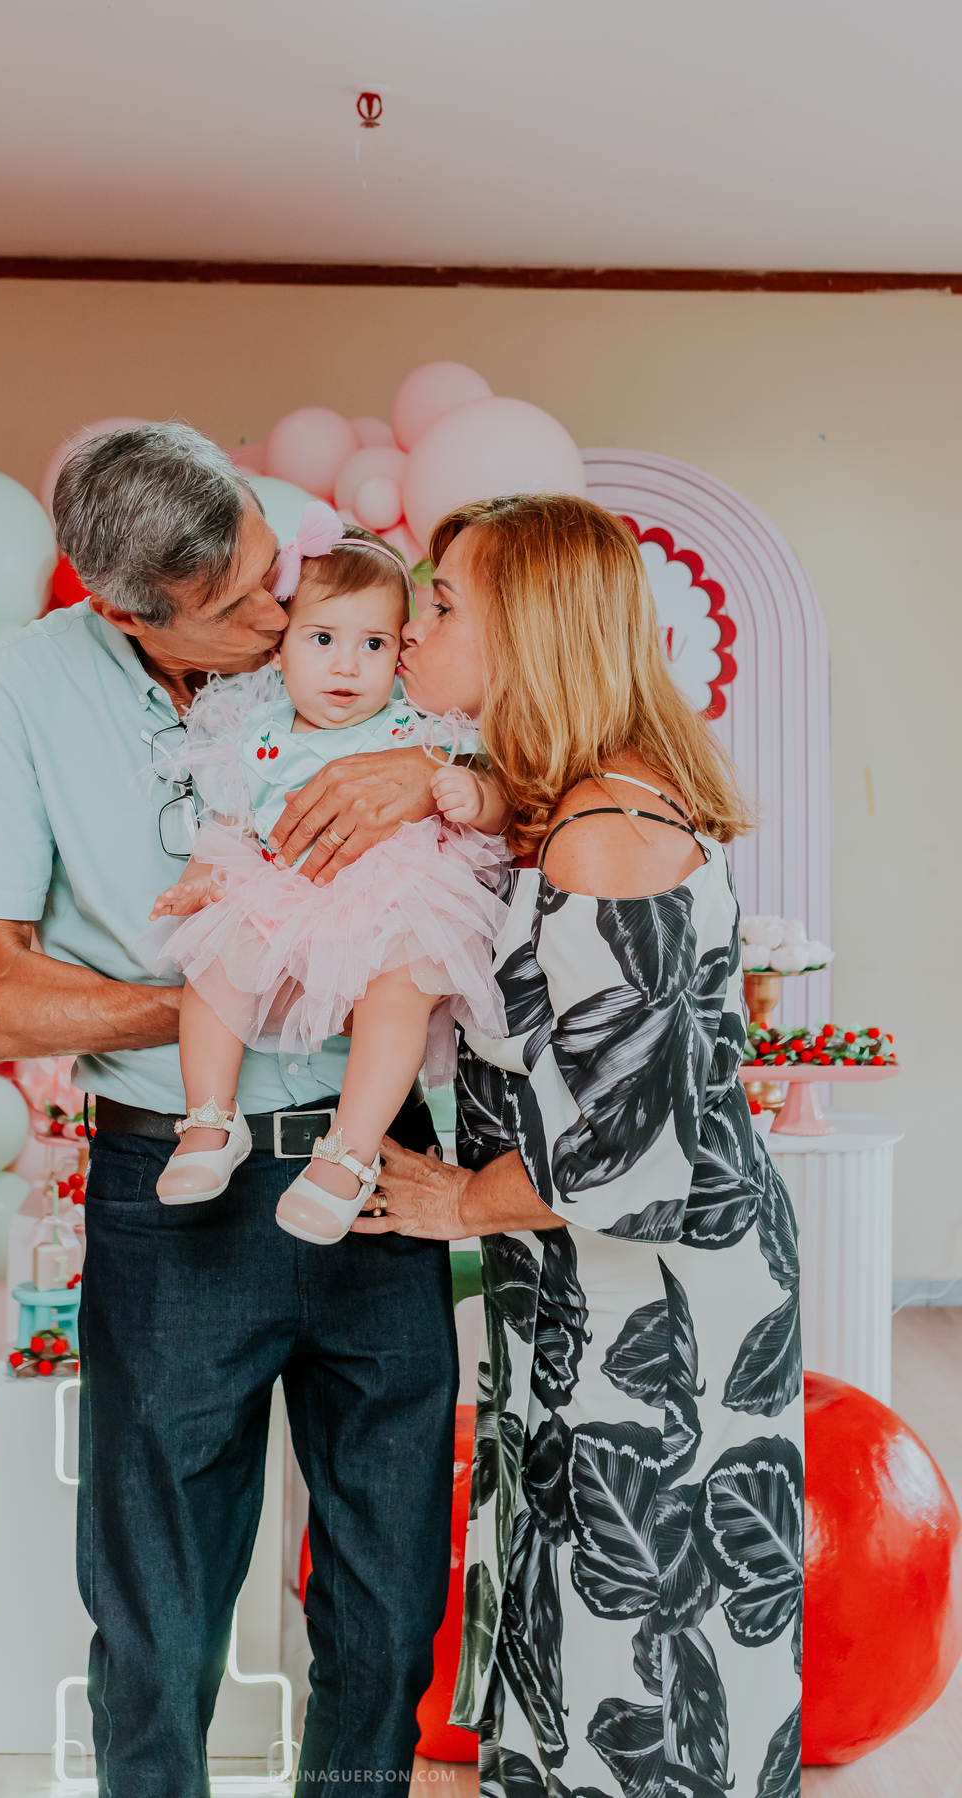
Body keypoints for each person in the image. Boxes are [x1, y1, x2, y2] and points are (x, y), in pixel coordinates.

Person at [0, 425, 460, 1798]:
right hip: (175, 1195)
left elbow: (547, 740)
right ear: (128, 612)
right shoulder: (18, 692)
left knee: (392, 1602)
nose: (284, 614)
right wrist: (243, 989)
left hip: (378, 1169)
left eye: (275, 568)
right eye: (239, 607)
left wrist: (436, 775)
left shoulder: (329, 591)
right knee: (156, 1622)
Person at [357, 494, 804, 1798]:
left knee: (639, 1642)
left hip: (650, 1301)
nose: (413, 627)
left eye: (444, 603)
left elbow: (626, 1150)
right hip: (593, 1289)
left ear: (529, 630)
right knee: (587, 1605)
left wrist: (456, 1201)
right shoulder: (579, 799)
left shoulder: (607, 838)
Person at [142, 499, 509, 1243]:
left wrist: (476, 795)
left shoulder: (417, 722)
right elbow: (229, 829)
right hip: (284, 887)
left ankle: (349, 1153)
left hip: (393, 896)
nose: (347, 665)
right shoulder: (252, 733)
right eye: (321, 639)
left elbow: (498, 782)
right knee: (216, 965)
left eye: (374, 643)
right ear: (279, 647)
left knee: (398, 993)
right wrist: (202, 880)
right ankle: (210, 1119)